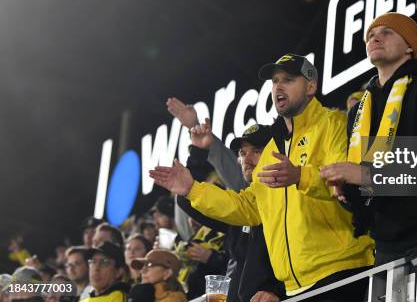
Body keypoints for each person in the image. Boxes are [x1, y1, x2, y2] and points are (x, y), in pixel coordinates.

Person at [152, 54, 375, 301]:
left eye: (288, 79)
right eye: (275, 80)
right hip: (294, 285)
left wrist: (300, 175)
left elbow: (345, 182)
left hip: (341, 270)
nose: (278, 86)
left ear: (311, 86)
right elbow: (250, 207)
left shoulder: (334, 123)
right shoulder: (271, 150)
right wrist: (193, 189)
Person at [319, 12, 417, 299]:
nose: (374, 37)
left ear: (410, 46)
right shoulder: (359, 109)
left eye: (386, 32)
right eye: (371, 35)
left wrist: (364, 175)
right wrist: (348, 189)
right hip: (385, 249)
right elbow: (367, 188)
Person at [172, 121, 284, 302]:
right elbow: (187, 200)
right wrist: (199, 154)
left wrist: (277, 290)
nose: (246, 160)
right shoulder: (240, 205)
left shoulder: (291, 197)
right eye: (242, 153)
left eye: (256, 151)